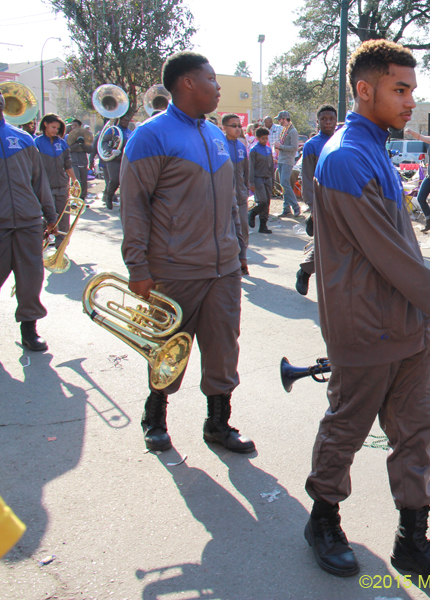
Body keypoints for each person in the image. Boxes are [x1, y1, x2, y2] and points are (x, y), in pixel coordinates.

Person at [305, 39, 430, 583]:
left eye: (413, 89)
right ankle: (322, 520)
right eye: (400, 89)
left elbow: (400, 249)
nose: (413, 100)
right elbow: (389, 257)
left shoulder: (374, 148)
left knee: (415, 432)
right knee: (346, 428)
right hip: (364, 327)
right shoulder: (345, 156)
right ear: (364, 90)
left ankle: (412, 541)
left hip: (408, 325)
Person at [121, 51, 254, 454]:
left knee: (223, 347)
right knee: (167, 345)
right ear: (187, 83)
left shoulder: (216, 134)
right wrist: (138, 266)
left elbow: (231, 199)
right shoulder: (151, 135)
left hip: (223, 268)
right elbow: (134, 205)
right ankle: (155, 416)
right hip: (174, 268)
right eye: (212, 79)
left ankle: (218, 424)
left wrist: (238, 248)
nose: (218, 87)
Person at [0, 93, 57, 351]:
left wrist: (51, 215)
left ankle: (29, 329)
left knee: (30, 278)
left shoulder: (22, 139)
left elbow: (39, 180)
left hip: (28, 220)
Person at [295, 104, 337, 296]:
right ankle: (305, 271)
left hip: (342, 200)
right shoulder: (312, 145)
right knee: (326, 243)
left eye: (331, 119)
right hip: (321, 202)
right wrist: (312, 206)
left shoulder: (341, 140)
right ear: (317, 121)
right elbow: (307, 176)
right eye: (324, 119)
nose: (328, 122)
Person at [34, 114, 76, 249]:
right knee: (46, 218)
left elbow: (68, 164)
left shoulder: (62, 143)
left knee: (64, 219)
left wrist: (75, 180)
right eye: (53, 127)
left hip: (62, 186)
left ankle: (61, 248)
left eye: (57, 128)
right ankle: (42, 245)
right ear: (45, 124)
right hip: (45, 188)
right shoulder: (36, 143)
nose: (55, 131)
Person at [222, 114, 250, 275]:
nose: (238, 129)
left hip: (241, 196)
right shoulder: (220, 146)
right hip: (226, 197)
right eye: (234, 126)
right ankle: (232, 262)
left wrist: (245, 189)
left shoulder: (241, 146)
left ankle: (242, 258)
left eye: (239, 125)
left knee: (243, 227)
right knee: (229, 229)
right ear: (224, 128)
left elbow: (246, 170)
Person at [100, 113, 133, 210]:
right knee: (114, 180)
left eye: (128, 121)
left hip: (125, 159)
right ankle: (109, 196)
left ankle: (123, 204)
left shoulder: (130, 132)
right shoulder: (113, 130)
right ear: (120, 120)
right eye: (124, 120)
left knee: (125, 182)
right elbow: (104, 142)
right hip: (113, 159)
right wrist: (111, 150)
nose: (126, 122)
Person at [273, 111, 300, 217]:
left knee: (285, 184)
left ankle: (295, 206)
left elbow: (294, 147)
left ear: (285, 119)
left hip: (287, 161)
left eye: (280, 119)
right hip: (281, 159)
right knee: (283, 185)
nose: (279, 121)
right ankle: (286, 208)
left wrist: (281, 147)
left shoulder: (293, 131)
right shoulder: (284, 130)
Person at [248, 127, 274, 234]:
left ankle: (263, 225)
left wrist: (272, 180)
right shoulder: (254, 150)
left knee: (267, 202)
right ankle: (253, 212)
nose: (265, 140)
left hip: (268, 179)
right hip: (258, 179)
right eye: (263, 138)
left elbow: (272, 166)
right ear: (257, 138)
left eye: (266, 138)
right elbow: (251, 167)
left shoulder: (268, 149)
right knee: (262, 201)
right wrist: (251, 182)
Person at [67, 118, 91, 201]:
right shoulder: (68, 136)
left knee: (84, 182)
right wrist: (77, 144)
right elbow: (68, 149)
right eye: (72, 125)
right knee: (76, 180)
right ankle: (75, 198)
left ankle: (82, 198)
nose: (73, 127)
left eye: (75, 125)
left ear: (80, 126)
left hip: (83, 162)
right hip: (73, 162)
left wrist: (83, 144)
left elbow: (90, 149)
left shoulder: (85, 136)